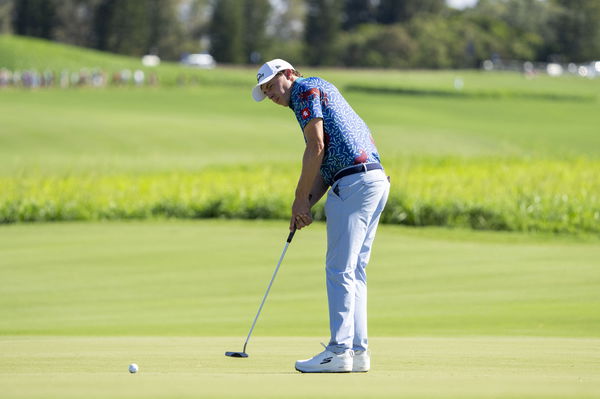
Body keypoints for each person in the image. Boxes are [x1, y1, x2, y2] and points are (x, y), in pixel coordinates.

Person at [252, 59, 390, 373]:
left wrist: (300, 198)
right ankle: (357, 352)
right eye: (265, 90)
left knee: (339, 269)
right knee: (354, 271)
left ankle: (339, 351)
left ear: (289, 74)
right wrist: (305, 203)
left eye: (272, 85)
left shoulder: (303, 90)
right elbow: (328, 159)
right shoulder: (321, 88)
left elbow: (316, 146)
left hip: (354, 183)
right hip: (373, 180)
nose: (270, 94)